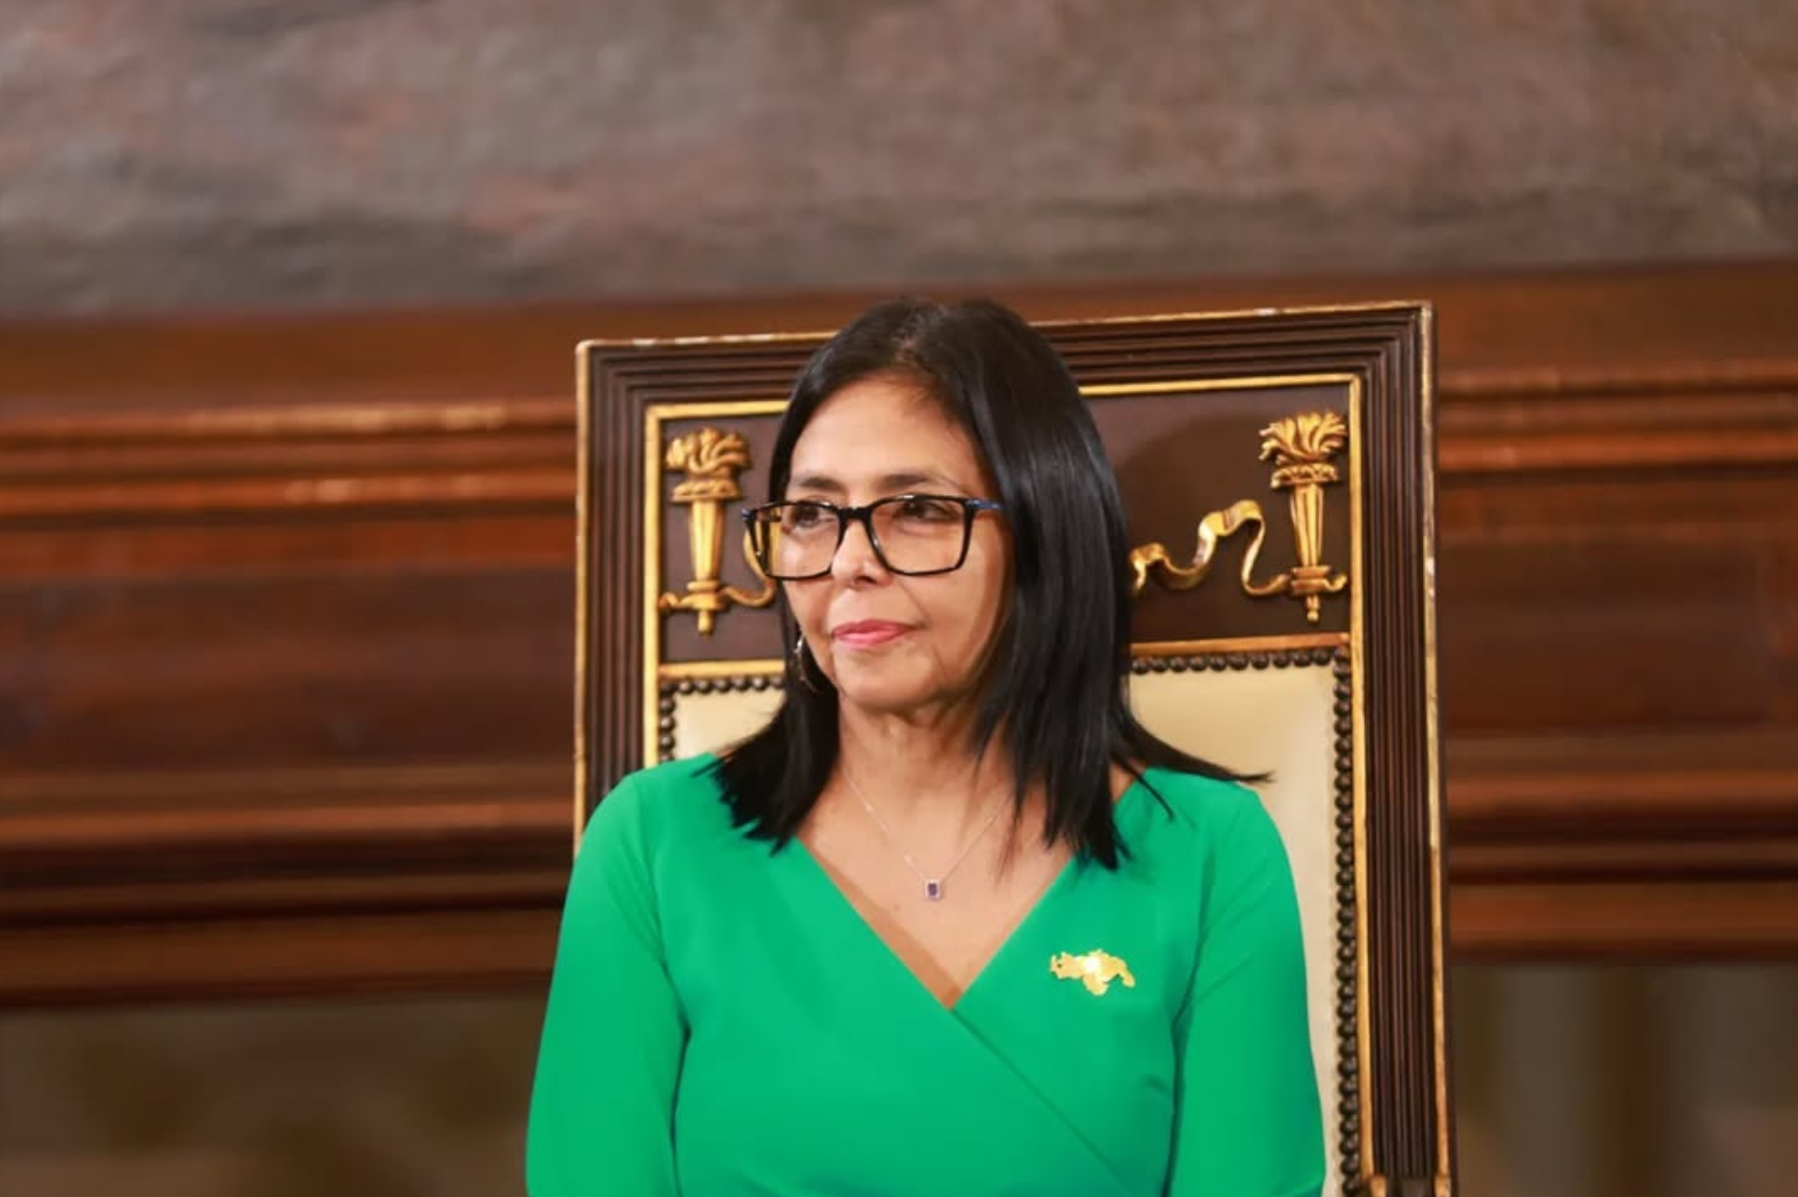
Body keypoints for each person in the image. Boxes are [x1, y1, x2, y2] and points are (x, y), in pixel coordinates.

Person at [527, 298, 1324, 1196]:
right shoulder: (653, 843)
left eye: (916, 509)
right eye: (811, 514)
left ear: (1045, 539)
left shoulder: (1211, 854)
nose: (848, 562)